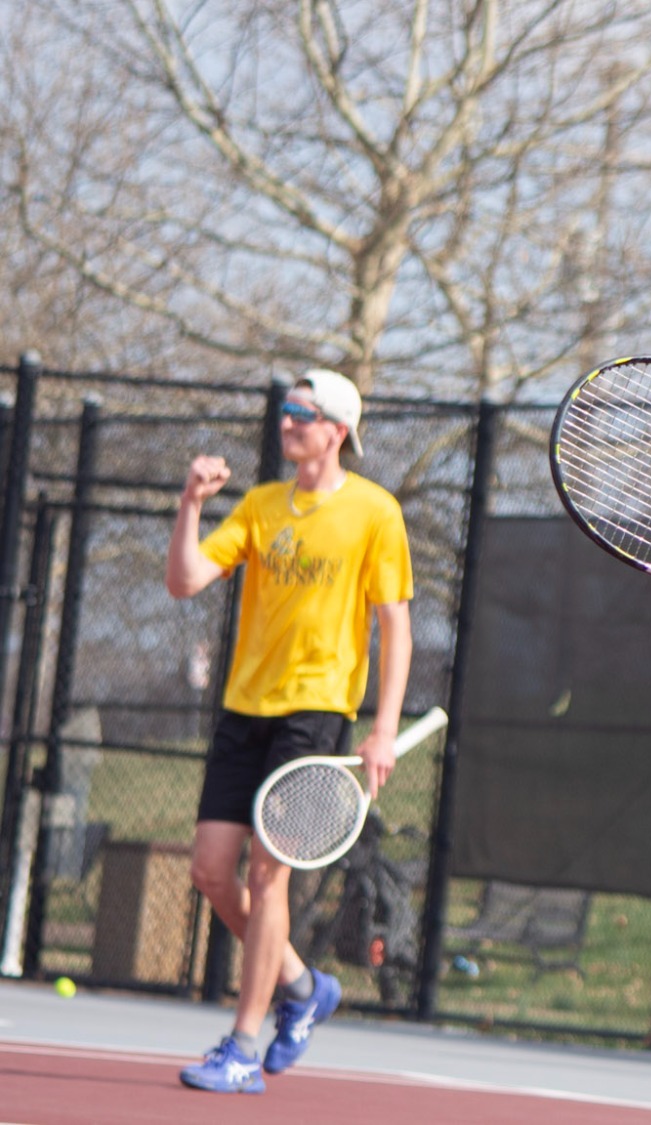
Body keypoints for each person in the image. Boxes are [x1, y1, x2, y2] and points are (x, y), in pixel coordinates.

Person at [166, 368, 414, 1093]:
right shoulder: (262, 505)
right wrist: (191, 504)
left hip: (316, 709)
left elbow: (395, 626)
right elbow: (184, 580)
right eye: (285, 410)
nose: (287, 423)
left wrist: (384, 729)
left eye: (302, 412)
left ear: (336, 430)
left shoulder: (375, 512)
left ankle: (244, 1044)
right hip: (246, 705)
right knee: (213, 871)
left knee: (269, 876)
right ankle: (304, 986)